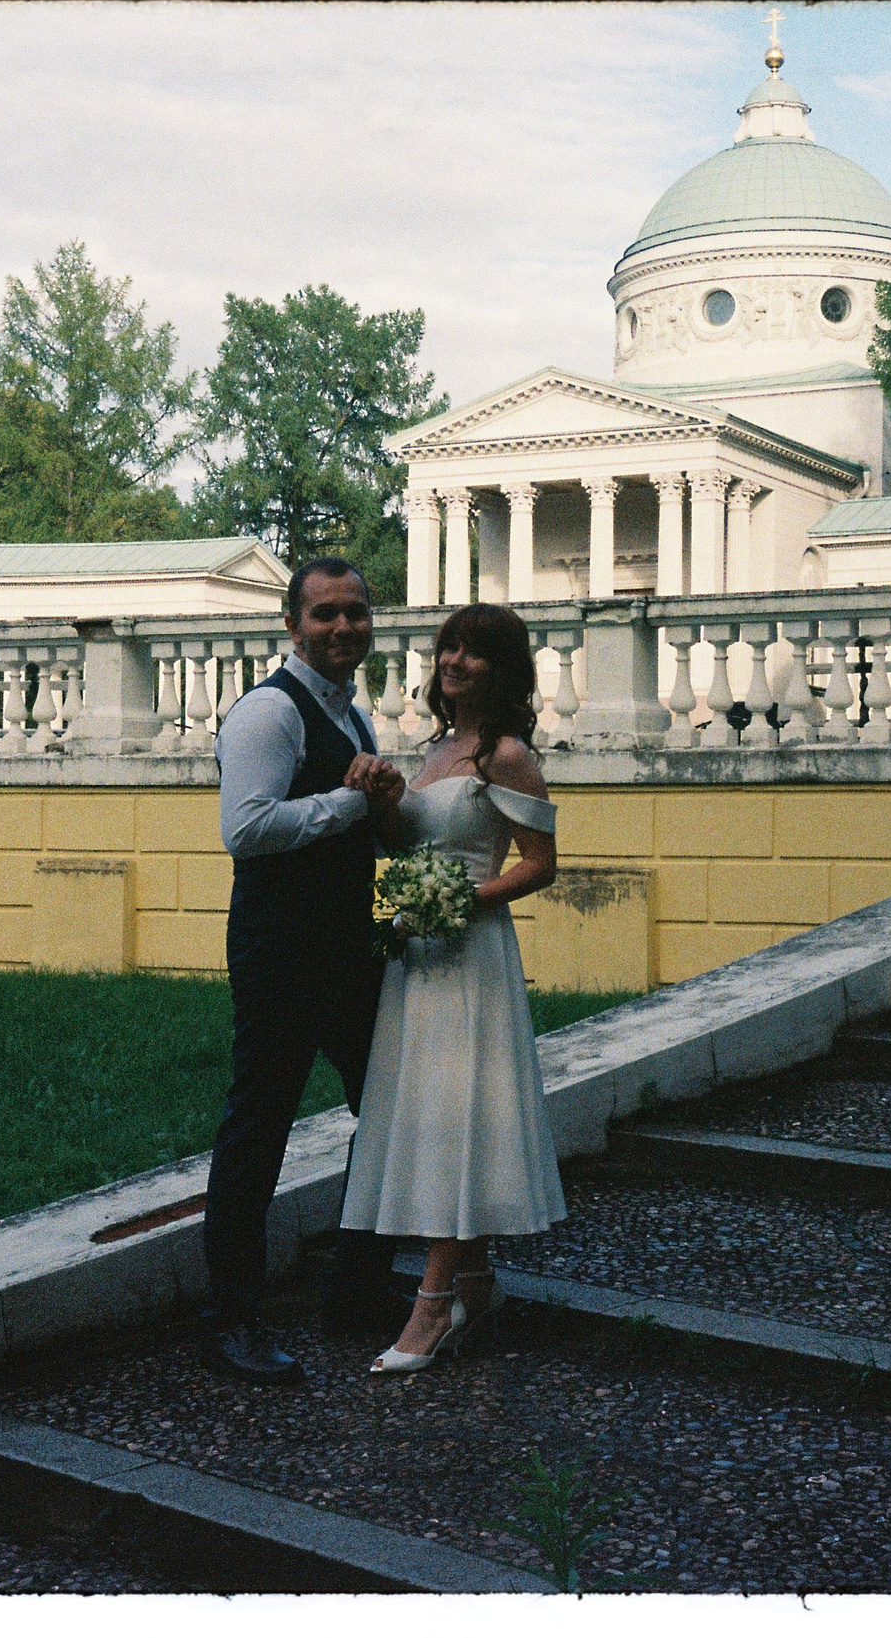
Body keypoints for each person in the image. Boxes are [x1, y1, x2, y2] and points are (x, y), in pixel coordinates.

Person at [340, 601, 566, 1374]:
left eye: (473, 653)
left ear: (502, 668)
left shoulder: (505, 754)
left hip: (470, 956)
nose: (455, 661)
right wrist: (385, 808)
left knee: (452, 1114)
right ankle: (475, 1281)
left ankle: (431, 1306)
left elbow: (541, 863)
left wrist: (459, 901)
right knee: (433, 1110)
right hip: (417, 956)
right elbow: (407, 844)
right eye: (448, 648)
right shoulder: (434, 749)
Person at [200, 556, 408, 1385]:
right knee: (261, 1125)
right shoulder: (268, 712)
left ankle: (354, 1289)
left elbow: (370, 832)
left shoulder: (352, 717)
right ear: (292, 625)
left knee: (387, 1110)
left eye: (355, 613)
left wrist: (386, 798)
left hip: (347, 945)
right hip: (280, 948)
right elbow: (246, 830)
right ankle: (231, 1321)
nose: (342, 628)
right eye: (324, 614)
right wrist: (353, 802)